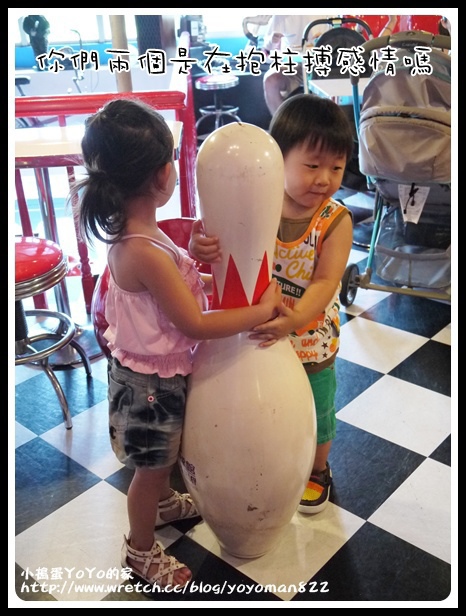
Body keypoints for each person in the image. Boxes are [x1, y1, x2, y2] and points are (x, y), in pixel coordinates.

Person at [73, 98, 282, 590]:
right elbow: (194, 323)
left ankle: (164, 505)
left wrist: (198, 261)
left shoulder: (143, 236)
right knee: (150, 470)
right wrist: (261, 310)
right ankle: (140, 549)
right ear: (161, 176)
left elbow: (174, 289)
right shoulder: (142, 251)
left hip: (154, 374)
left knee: (161, 461)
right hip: (149, 385)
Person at [189, 93, 354, 514]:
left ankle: (317, 470)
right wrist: (199, 246)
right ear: (277, 161)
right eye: (312, 165)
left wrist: (294, 319)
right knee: (266, 404)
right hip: (259, 332)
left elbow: (326, 282)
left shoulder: (334, 221)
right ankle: (269, 455)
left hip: (309, 338)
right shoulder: (259, 203)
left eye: (336, 167)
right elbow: (221, 242)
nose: (325, 179)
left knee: (317, 407)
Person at [261, 15, 331, 115]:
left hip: (322, 64)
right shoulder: (281, 16)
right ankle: (281, 121)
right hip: (293, 65)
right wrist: (272, 41)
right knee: (270, 80)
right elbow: (266, 51)